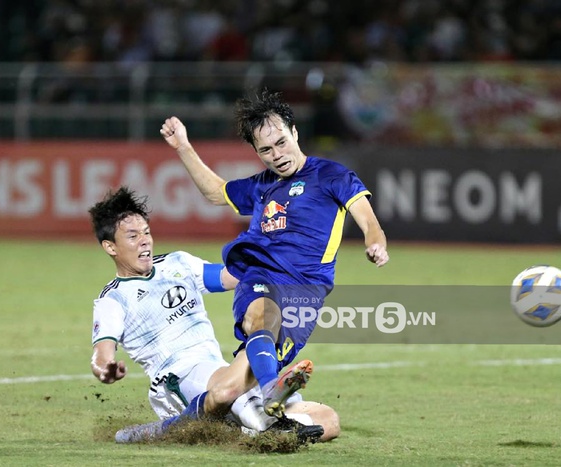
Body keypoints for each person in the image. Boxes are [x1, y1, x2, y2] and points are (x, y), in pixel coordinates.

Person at [160, 88, 389, 418]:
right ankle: (272, 389)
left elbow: (368, 219)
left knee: (227, 391)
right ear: (257, 152)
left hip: (305, 291)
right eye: (265, 150)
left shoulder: (332, 175)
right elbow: (215, 193)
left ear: (295, 133)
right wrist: (183, 146)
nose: (276, 154)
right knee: (262, 315)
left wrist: (375, 242)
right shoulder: (261, 185)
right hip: (260, 275)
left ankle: (161, 429)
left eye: (281, 142)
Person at [89, 186, 340, 443]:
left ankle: (253, 425)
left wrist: (285, 263)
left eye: (147, 232)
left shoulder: (177, 263)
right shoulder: (113, 299)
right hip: (178, 379)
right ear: (110, 247)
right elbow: (102, 353)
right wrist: (105, 368)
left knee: (328, 420)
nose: (145, 240)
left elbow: (231, 276)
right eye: (133, 236)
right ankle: (262, 408)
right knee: (232, 387)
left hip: (217, 372)